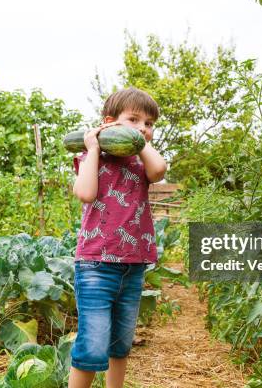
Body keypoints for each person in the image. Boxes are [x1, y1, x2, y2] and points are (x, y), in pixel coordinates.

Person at [68, 87, 167, 388]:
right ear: (109, 122)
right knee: (93, 343)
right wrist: (95, 147)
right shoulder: (91, 158)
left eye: (149, 124)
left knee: (120, 343)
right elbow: (85, 193)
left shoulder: (142, 164)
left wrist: (138, 141)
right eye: (134, 120)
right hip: (96, 264)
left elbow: (160, 169)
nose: (142, 128)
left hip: (133, 265)